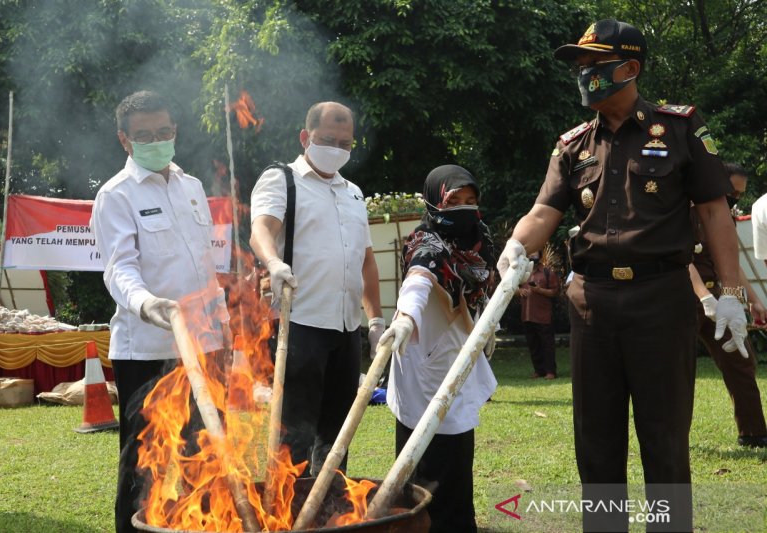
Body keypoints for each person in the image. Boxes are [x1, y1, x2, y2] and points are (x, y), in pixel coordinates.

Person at [495, 19, 748, 531]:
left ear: (629, 68)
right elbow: (545, 210)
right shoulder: (572, 144)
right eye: (581, 66)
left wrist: (733, 292)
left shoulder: (680, 128)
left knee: (665, 438)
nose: (583, 75)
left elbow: (716, 211)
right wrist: (514, 248)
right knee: (596, 441)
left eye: (594, 65)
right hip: (591, 301)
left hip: (662, 297)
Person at [90, 90, 229, 533]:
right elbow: (119, 268)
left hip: (203, 345)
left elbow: (206, 267)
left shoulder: (191, 187)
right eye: (144, 135)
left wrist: (222, 331)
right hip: (147, 350)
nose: (156, 140)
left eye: (163, 132)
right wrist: (148, 303)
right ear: (124, 140)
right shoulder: (116, 195)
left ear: (175, 131)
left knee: (206, 455)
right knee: (143, 466)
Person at [249, 101, 383, 476]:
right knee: (294, 432)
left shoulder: (353, 192)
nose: (337, 148)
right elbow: (262, 229)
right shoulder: (282, 179)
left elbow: (366, 260)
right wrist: (273, 262)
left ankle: (331, 504)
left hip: (345, 328)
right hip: (300, 324)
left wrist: (375, 321)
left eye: (345, 143)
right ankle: (288, 510)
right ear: (305, 137)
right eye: (327, 139)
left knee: (337, 433)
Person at [378, 165, 497, 533]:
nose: (463, 209)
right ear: (433, 202)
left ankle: (458, 524)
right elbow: (419, 279)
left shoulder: (480, 237)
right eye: (453, 201)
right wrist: (404, 320)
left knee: (458, 457)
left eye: (470, 201)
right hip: (423, 361)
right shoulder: (424, 241)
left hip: (459, 358)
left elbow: (485, 282)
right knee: (425, 462)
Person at [689, 162, 767, 448]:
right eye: (731, 192)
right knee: (675, 371)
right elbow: (680, 259)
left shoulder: (724, 217)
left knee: (741, 360)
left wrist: (754, 300)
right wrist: (703, 297)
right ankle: (669, 439)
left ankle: (754, 433)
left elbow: (730, 263)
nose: (734, 200)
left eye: (738, 196)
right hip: (682, 299)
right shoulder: (681, 209)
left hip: (720, 299)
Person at [517, 250, 560, 379]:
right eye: (530, 254)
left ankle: (550, 372)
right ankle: (538, 370)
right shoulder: (522, 273)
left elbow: (555, 292)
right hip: (527, 315)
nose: (532, 257)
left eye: (535, 254)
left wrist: (539, 290)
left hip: (543, 315)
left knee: (547, 344)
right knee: (533, 345)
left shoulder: (547, 272)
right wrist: (519, 291)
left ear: (540, 257)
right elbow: (512, 289)